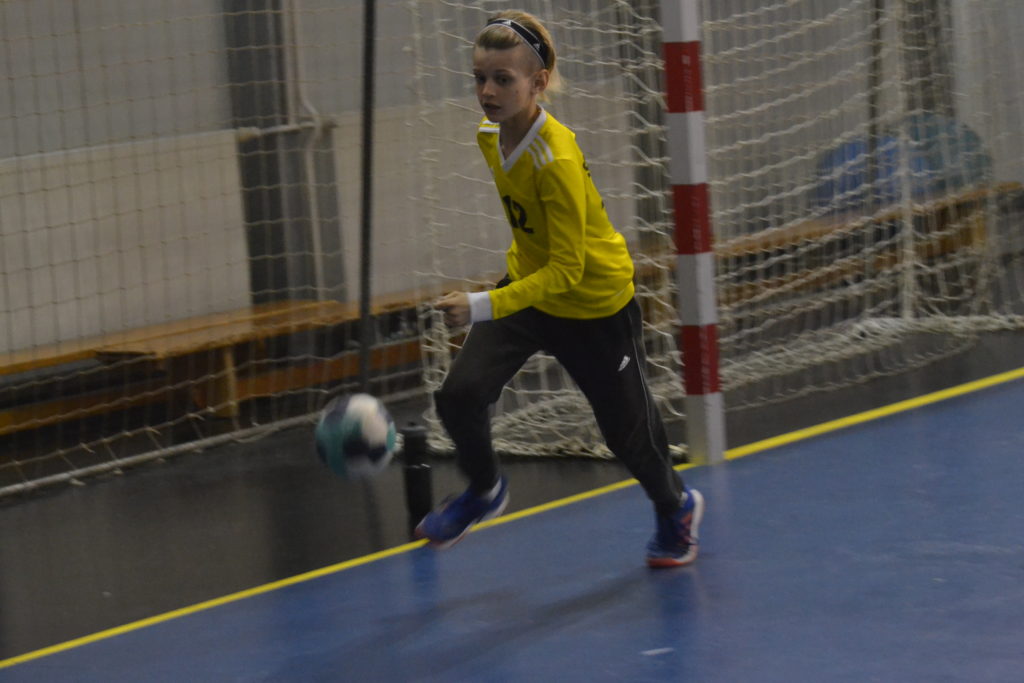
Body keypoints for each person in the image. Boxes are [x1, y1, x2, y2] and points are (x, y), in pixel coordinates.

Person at [414, 10, 704, 568]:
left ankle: (676, 508)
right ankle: (484, 490)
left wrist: (481, 305)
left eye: (503, 79)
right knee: (459, 394)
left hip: (593, 306)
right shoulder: (489, 137)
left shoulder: (557, 159)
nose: (487, 92)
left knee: (628, 436)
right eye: (480, 78)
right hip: (530, 292)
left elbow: (569, 270)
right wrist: (503, 297)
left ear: (538, 82)